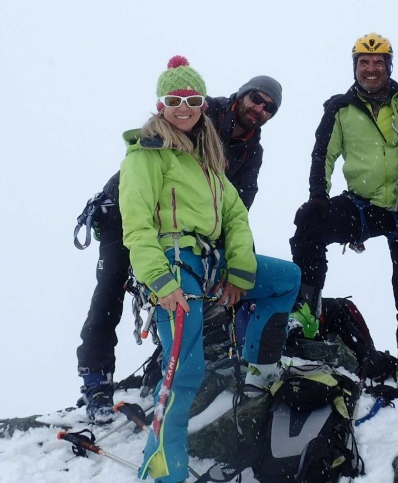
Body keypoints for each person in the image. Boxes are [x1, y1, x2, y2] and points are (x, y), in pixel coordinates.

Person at [119, 56, 299, 483]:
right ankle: (164, 472)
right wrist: (161, 283)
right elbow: (137, 226)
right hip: (175, 265)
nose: (184, 106)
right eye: (174, 98)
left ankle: (257, 368)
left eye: (192, 98)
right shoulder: (148, 155)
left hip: (211, 265)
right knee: (185, 372)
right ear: (161, 103)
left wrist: (239, 272)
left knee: (286, 279)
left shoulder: (207, 158)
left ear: (203, 103)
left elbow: (236, 216)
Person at [76, 69, 285, 424]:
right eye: (256, 98)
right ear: (241, 95)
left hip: (183, 229)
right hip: (129, 214)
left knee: (183, 290)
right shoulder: (206, 114)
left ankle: (162, 369)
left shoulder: (252, 149)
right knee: (112, 285)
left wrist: (231, 256)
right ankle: (96, 381)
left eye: (269, 107)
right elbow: (148, 162)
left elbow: (239, 200)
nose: (260, 108)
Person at [289, 32, 398, 391]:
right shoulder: (340, 108)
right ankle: (306, 310)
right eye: (364, 62)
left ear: (389, 65)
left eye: (379, 62)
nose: (371, 69)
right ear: (355, 66)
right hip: (364, 205)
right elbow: (323, 155)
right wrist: (317, 197)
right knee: (308, 228)